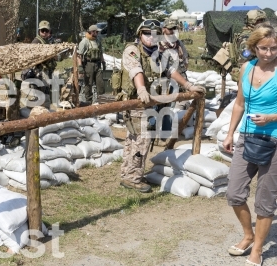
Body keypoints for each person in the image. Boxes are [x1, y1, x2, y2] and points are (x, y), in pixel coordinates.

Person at [118, 20, 205, 192]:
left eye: (154, 34)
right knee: (140, 140)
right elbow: (136, 71)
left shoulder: (158, 53)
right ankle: (132, 178)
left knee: (138, 139)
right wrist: (142, 89)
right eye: (146, 33)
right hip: (137, 101)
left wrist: (188, 86)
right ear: (139, 35)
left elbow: (171, 71)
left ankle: (130, 174)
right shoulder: (133, 50)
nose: (151, 37)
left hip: (151, 101)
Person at [223, 25, 277, 266]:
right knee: (234, 193)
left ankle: (257, 250)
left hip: (274, 140)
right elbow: (239, 103)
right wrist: (229, 133)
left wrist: (270, 118)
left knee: (265, 200)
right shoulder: (246, 67)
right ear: (253, 47)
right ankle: (248, 234)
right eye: (263, 48)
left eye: (274, 48)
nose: (268, 53)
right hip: (247, 137)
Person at [77, 24, 105, 104]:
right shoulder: (84, 41)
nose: (98, 33)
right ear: (92, 32)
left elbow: (100, 53)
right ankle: (88, 102)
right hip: (88, 64)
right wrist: (80, 67)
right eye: (96, 32)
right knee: (88, 84)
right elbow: (79, 55)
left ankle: (102, 102)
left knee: (100, 83)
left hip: (97, 64)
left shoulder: (97, 40)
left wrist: (103, 62)